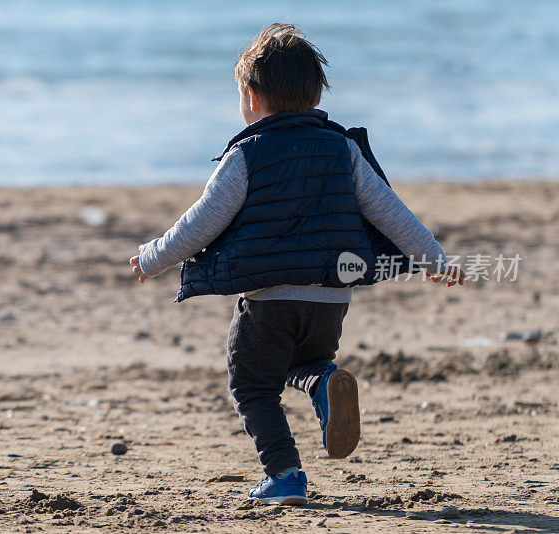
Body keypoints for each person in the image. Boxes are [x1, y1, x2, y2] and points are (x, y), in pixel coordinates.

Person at [129, 23, 465, 506]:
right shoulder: (342, 148)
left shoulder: (246, 154)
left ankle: (284, 475)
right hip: (331, 300)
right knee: (307, 361)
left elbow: (200, 224)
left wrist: (153, 257)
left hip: (270, 301)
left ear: (250, 95)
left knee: (252, 384)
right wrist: (434, 259)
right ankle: (326, 382)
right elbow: (390, 210)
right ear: (315, 94)